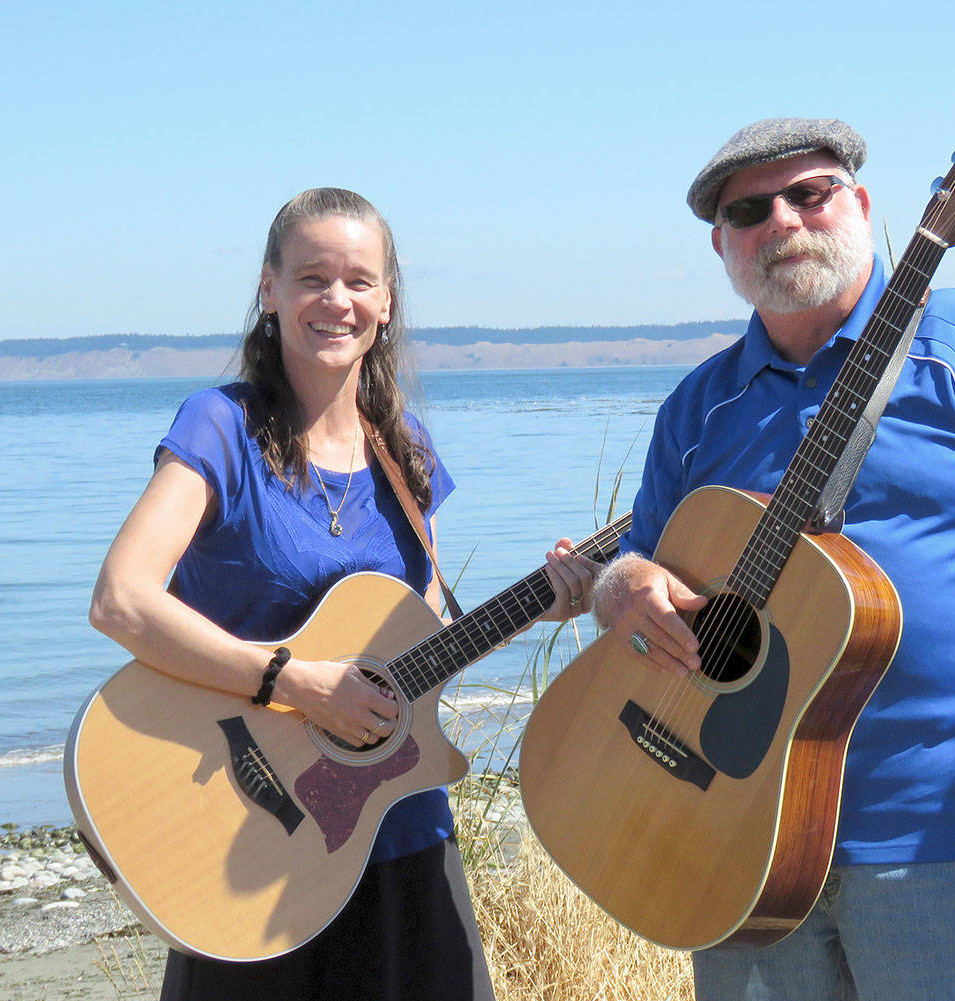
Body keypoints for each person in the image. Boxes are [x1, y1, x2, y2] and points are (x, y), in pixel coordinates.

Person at [590, 119, 955, 1000]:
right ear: (723, 243)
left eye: (812, 192)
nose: (786, 221)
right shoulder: (699, 406)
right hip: (734, 839)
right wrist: (624, 588)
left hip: (943, 833)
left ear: (863, 205)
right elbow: (637, 566)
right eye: (752, 209)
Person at [88, 187, 596, 1001]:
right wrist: (293, 681)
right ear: (269, 290)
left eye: (359, 280)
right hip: (247, 831)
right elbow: (120, 599)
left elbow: (422, 639)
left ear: (387, 301)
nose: (337, 300)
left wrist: (546, 599)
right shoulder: (220, 427)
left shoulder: (404, 447)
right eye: (313, 277)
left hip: (396, 825)